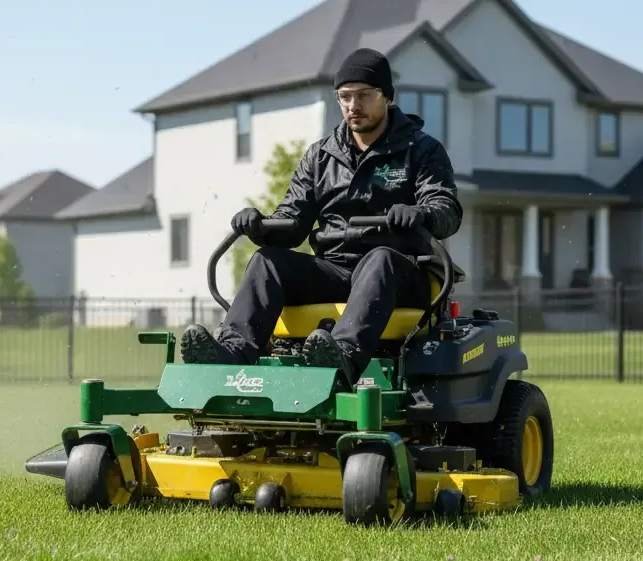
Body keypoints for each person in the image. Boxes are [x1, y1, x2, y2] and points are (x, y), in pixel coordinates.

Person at [180, 47, 463, 386]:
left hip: (399, 273)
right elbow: (292, 221)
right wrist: (260, 227)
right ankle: (231, 353)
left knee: (380, 258)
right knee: (267, 261)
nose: (353, 106)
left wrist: (420, 212)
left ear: (387, 96)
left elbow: (446, 209)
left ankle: (342, 357)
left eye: (363, 96)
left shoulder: (421, 150)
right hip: (336, 269)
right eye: (344, 97)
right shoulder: (321, 156)